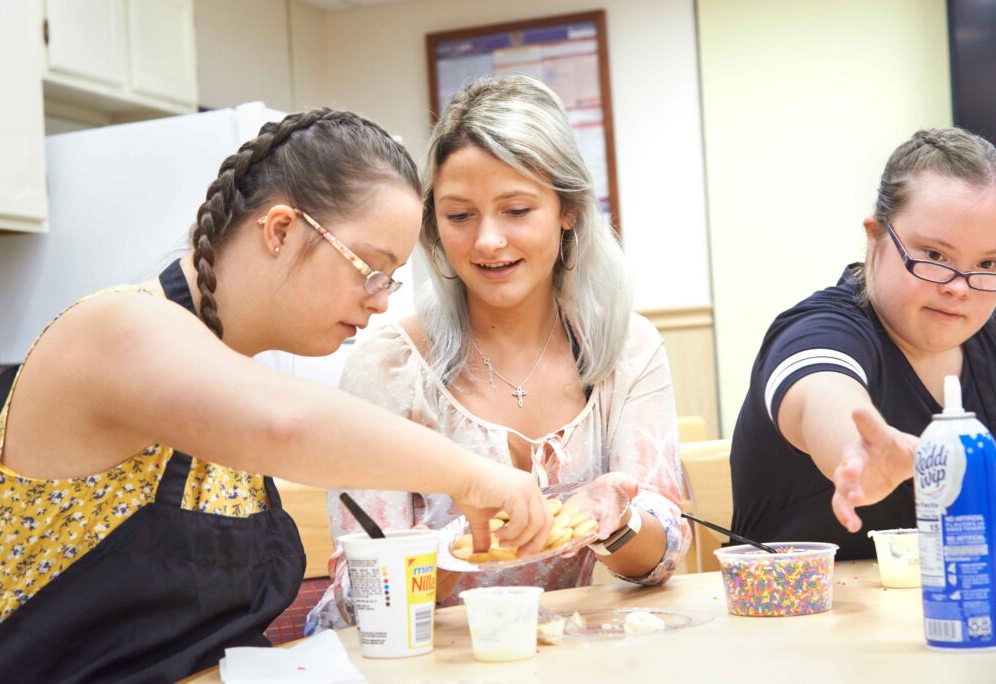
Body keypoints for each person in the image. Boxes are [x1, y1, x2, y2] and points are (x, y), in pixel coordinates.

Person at [0, 108, 552, 683]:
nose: (380, 301)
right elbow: (285, 424)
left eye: (391, 278)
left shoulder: (226, 375)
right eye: (371, 270)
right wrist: (475, 476)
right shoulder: (112, 328)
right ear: (279, 230)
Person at [308, 76, 691, 634]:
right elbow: (362, 595)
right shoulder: (388, 368)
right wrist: (471, 545)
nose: (487, 240)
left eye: (516, 210)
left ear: (568, 210)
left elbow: (663, 555)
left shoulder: (626, 349)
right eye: (460, 216)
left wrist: (614, 518)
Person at [729, 127, 996, 560]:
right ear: (876, 237)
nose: (959, 288)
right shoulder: (822, 327)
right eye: (934, 256)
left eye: (988, 263)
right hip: (799, 618)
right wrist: (854, 449)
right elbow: (820, 389)